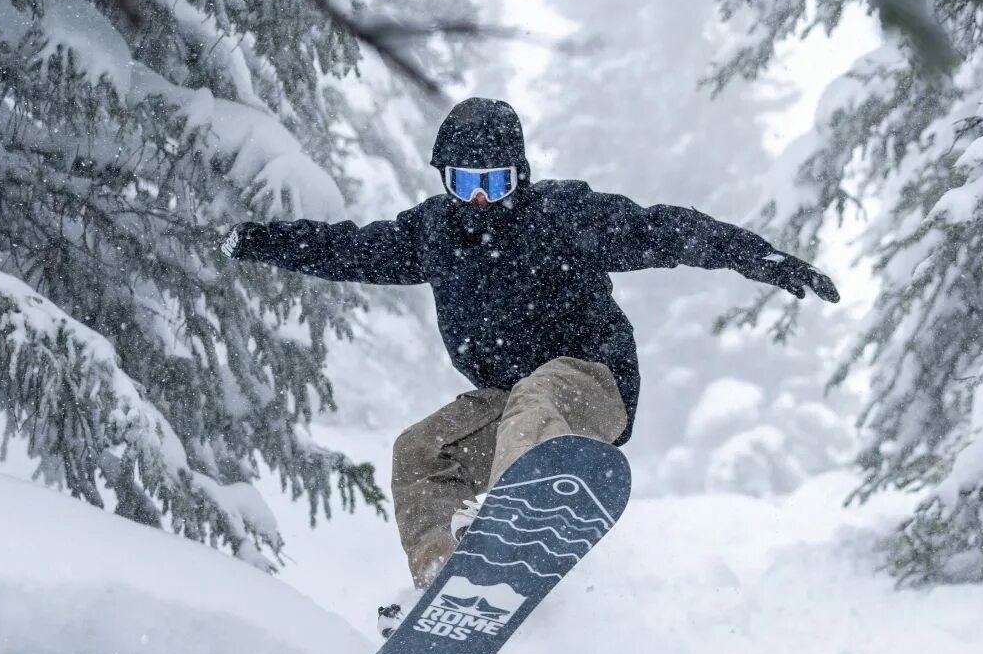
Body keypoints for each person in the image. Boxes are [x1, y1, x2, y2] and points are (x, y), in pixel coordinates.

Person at [223, 97, 839, 599]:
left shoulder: (562, 216)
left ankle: (512, 536)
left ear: (521, 176)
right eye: (466, 183)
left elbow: (664, 229)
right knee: (421, 450)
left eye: (495, 182)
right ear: (445, 180)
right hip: (507, 399)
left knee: (536, 399)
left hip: (590, 384)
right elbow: (347, 249)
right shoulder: (434, 233)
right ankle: (446, 578)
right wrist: (259, 242)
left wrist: (758, 257)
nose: (482, 199)